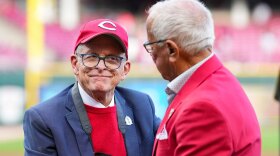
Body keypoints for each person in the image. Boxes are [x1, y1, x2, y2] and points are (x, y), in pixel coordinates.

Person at [23, 19, 161, 156]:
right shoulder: (44, 118)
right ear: (75, 64)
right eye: (91, 57)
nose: (101, 66)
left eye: (112, 59)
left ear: (125, 69)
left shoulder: (142, 105)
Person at [143, 0, 261, 155]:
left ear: (171, 49)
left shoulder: (201, 108)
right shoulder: (217, 81)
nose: (151, 55)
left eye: (152, 47)